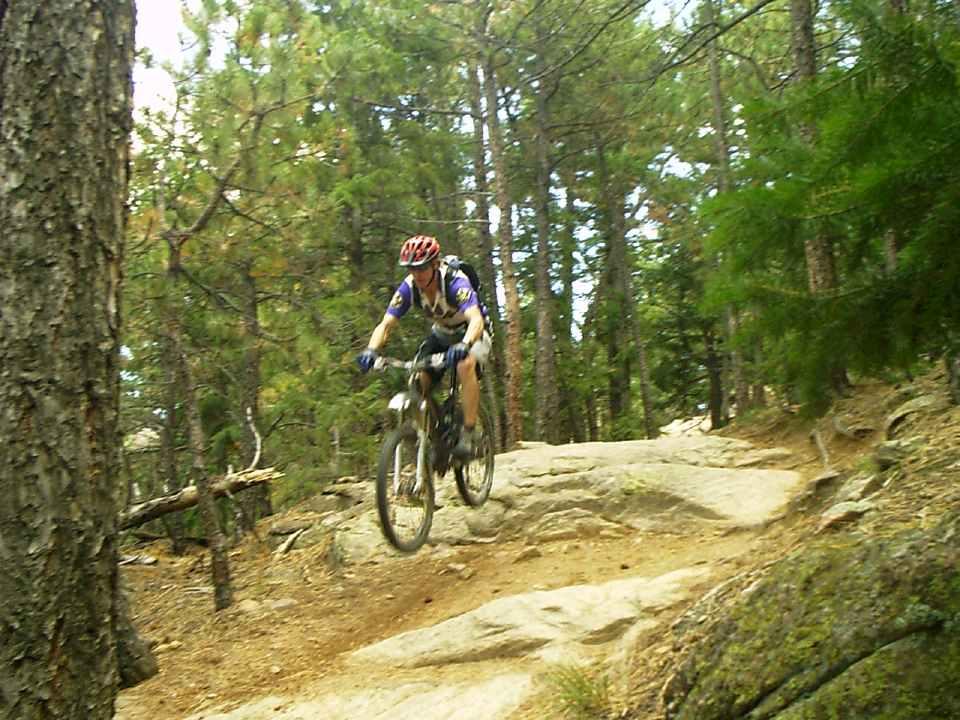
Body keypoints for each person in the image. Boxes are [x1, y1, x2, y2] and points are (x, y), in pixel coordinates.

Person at [357, 235, 492, 460]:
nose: (417, 274)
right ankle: (432, 438)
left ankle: (468, 433)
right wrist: (371, 350)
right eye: (412, 269)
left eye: (421, 268)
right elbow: (386, 323)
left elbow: (475, 319)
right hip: (441, 334)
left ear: (435, 264)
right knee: (417, 381)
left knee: (465, 365)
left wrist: (465, 344)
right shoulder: (409, 287)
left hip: (473, 332)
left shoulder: (455, 282)